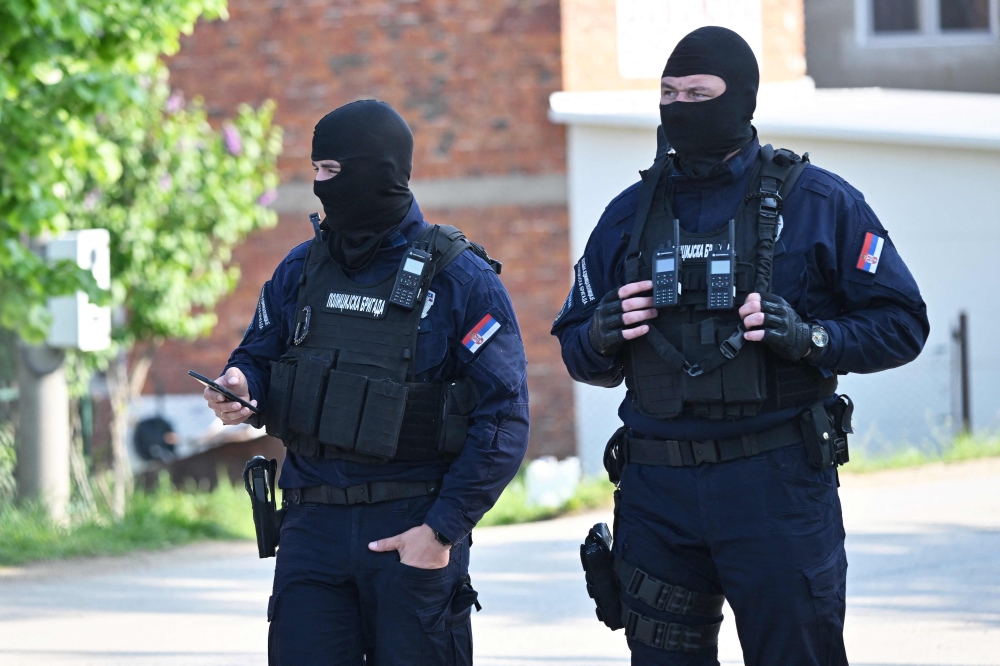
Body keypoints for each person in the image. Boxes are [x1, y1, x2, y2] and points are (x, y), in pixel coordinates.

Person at [552, 27, 928, 665]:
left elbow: (902, 324)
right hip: (657, 492)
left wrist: (812, 338)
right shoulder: (627, 215)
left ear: (742, 98)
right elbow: (575, 347)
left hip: (776, 486)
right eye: (669, 93)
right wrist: (599, 332)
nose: (680, 107)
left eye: (698, 93)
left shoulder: (818, 202)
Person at [202, 100, 529, 665]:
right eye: (315, 169)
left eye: (331, 170)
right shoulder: (300, 268)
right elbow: (257, 355)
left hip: (411, 526)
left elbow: (503, 418)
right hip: (311, 529)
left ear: (379, 171)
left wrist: (440, 532)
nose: (319, 185)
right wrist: (241, 384)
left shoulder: (459, 279)